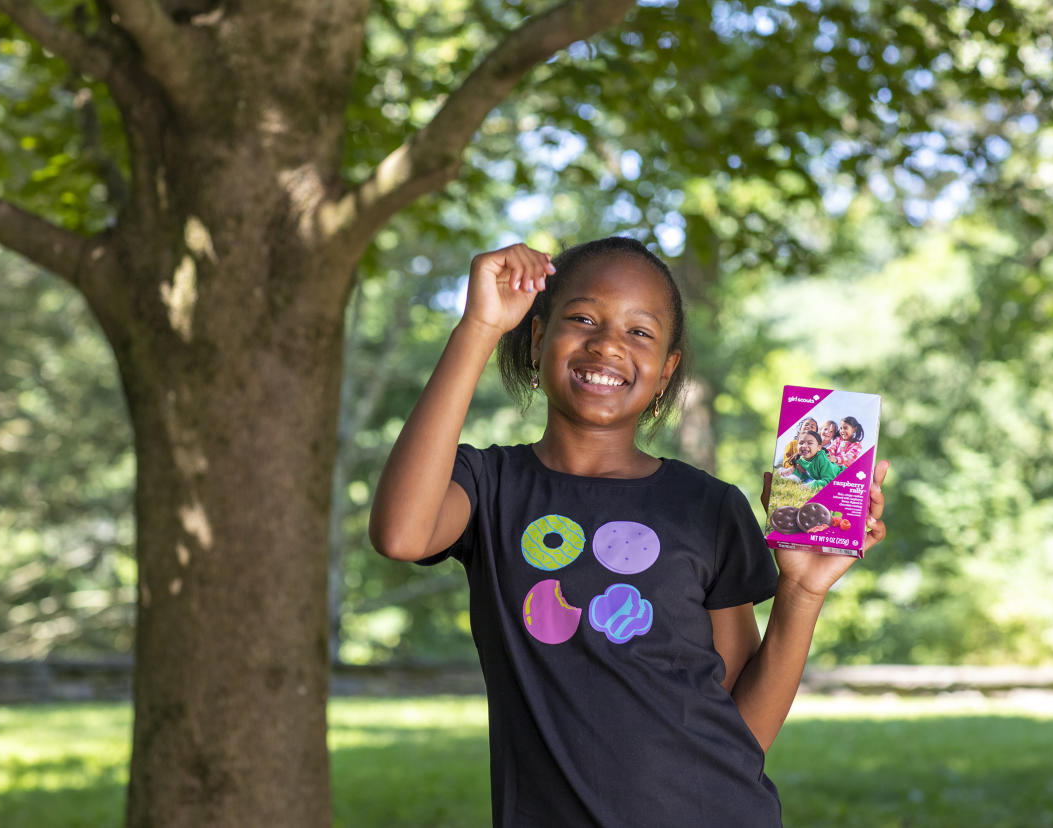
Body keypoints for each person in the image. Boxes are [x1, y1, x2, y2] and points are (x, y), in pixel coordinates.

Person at [369, 238, 889, 828]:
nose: (608, 343)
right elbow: (401, 535)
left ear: (666, 371)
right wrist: (480, 326)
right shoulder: (487, 484)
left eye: (640, 332)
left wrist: (804, 589)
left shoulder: (708, 505)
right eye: (583, 318)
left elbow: (744, 731)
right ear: (537, 339)